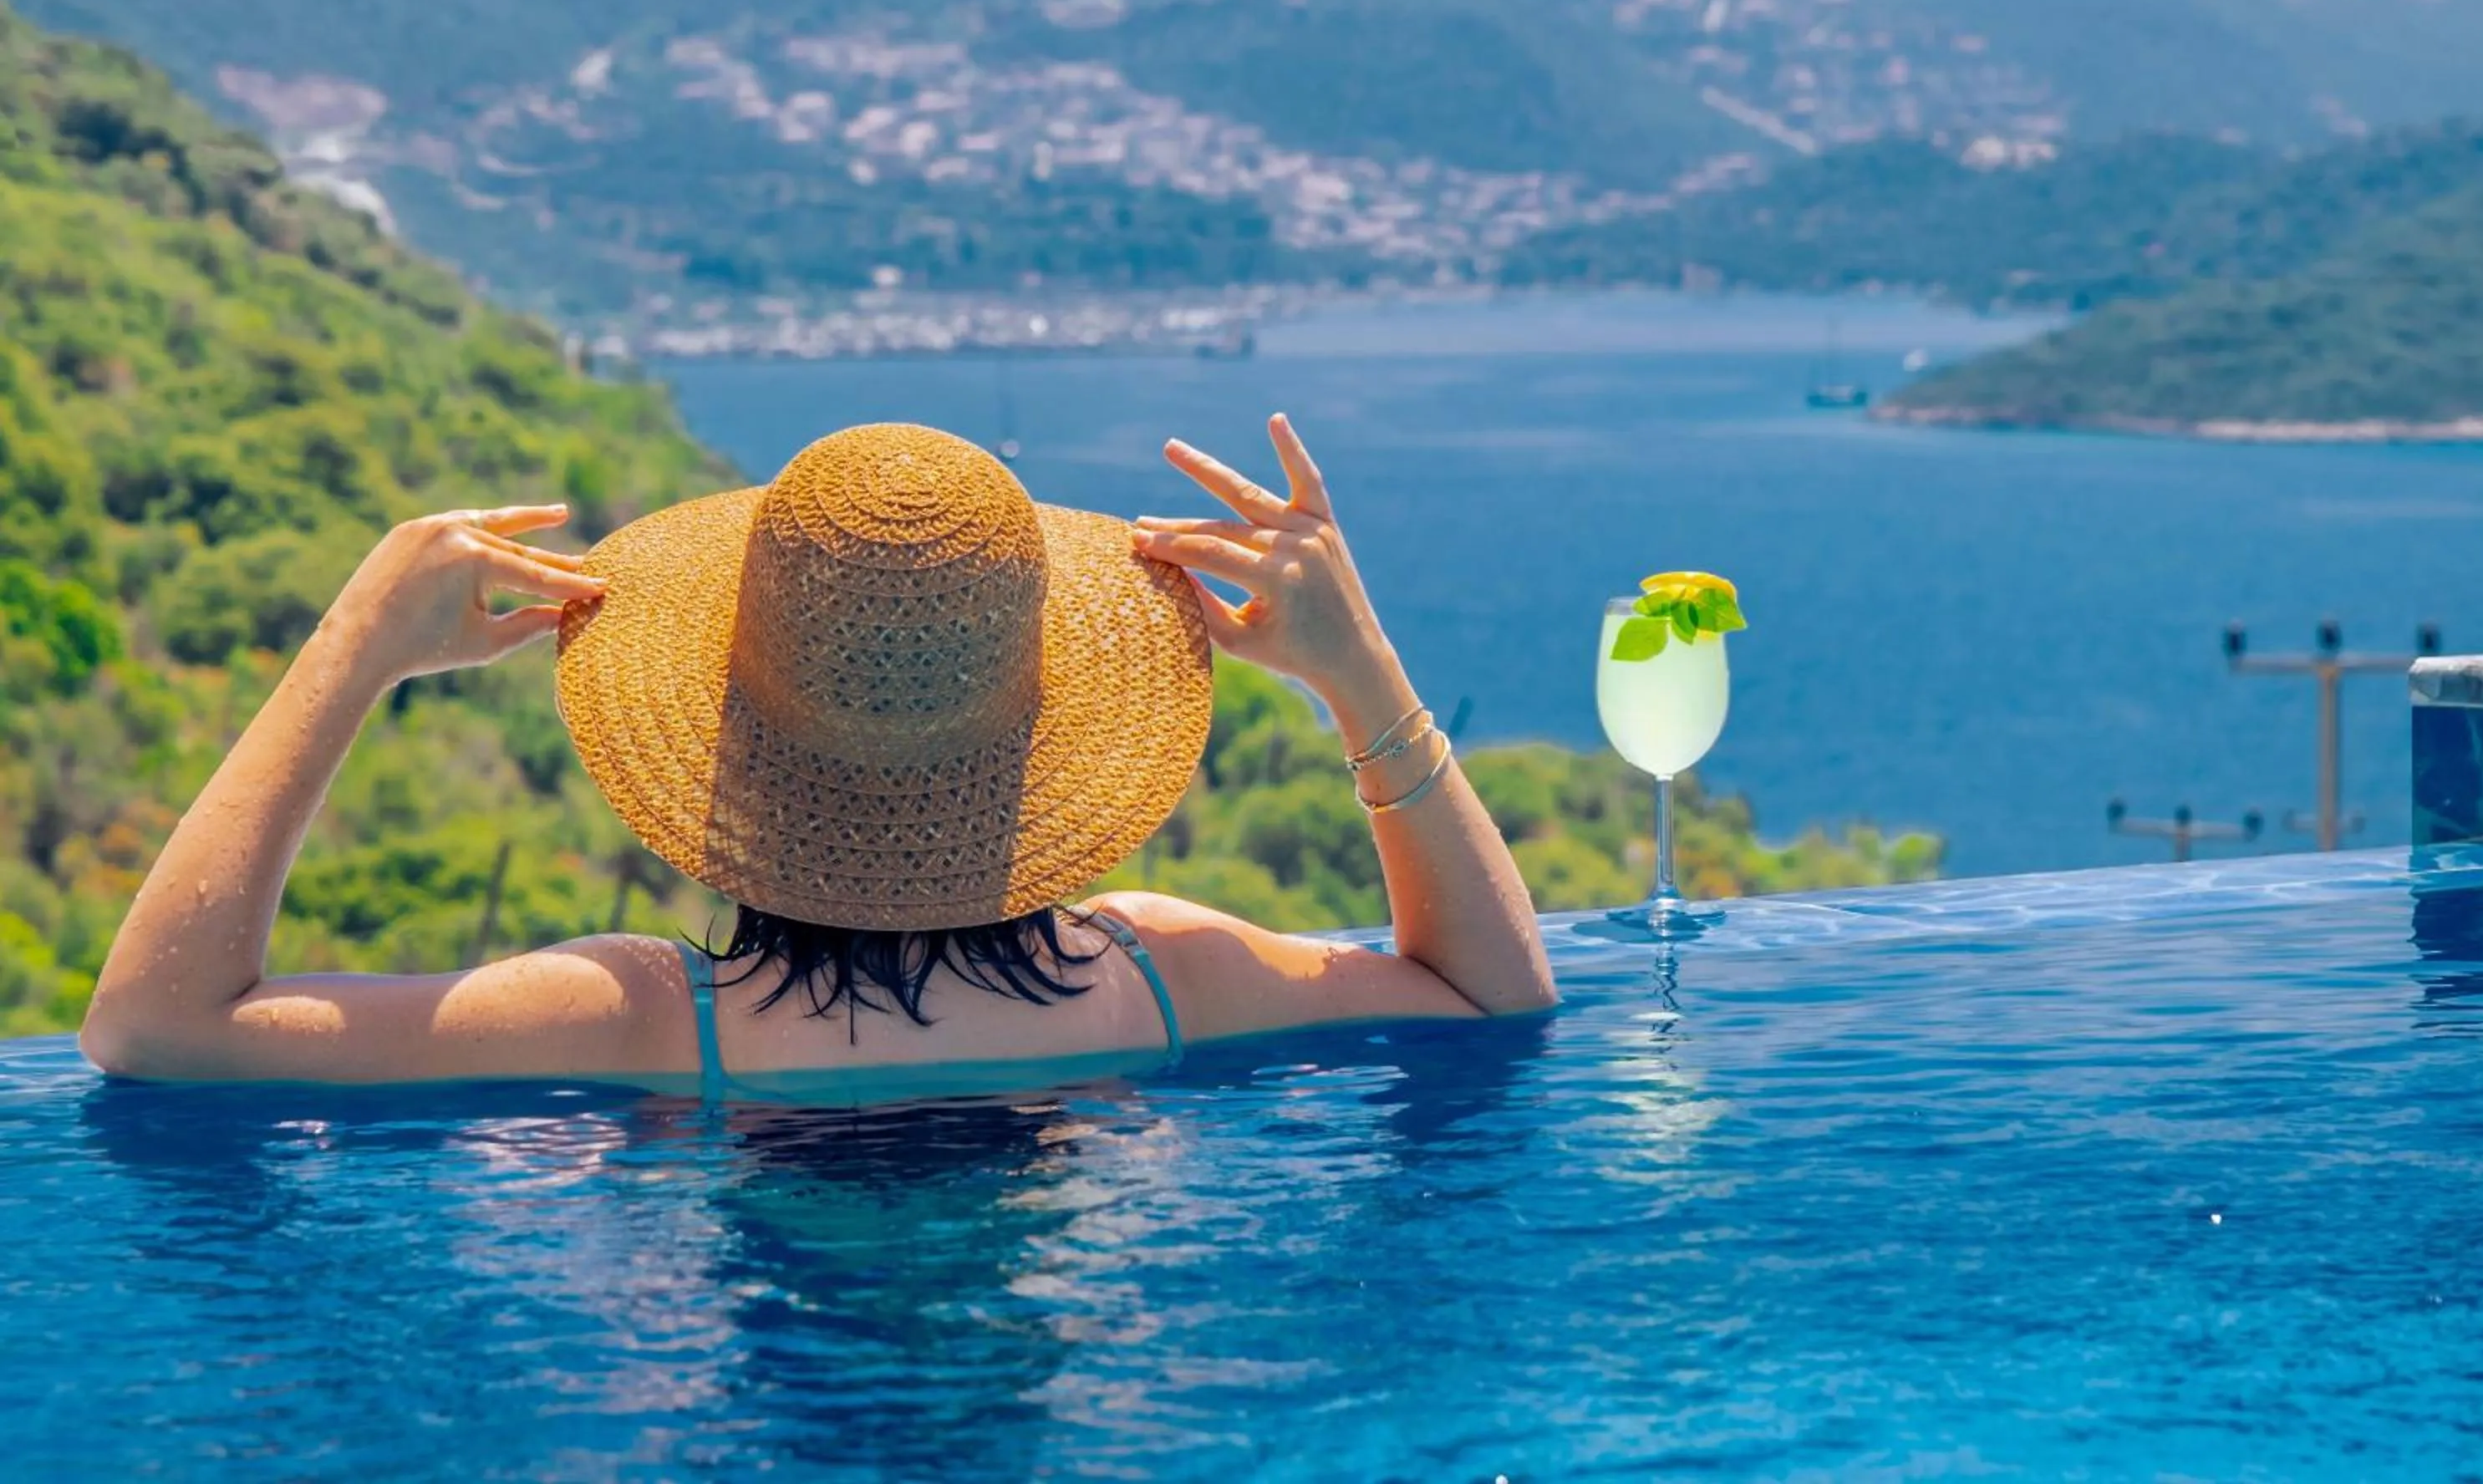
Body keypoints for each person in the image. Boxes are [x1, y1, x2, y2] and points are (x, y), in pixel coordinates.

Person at [79, 416, 1554, 1095]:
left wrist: (352, 653)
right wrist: (1358, 673)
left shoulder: (640, 1019)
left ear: (732, 726)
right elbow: (1493, 993)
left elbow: (155, 1030)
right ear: (1043, 727)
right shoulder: (1171, 975)